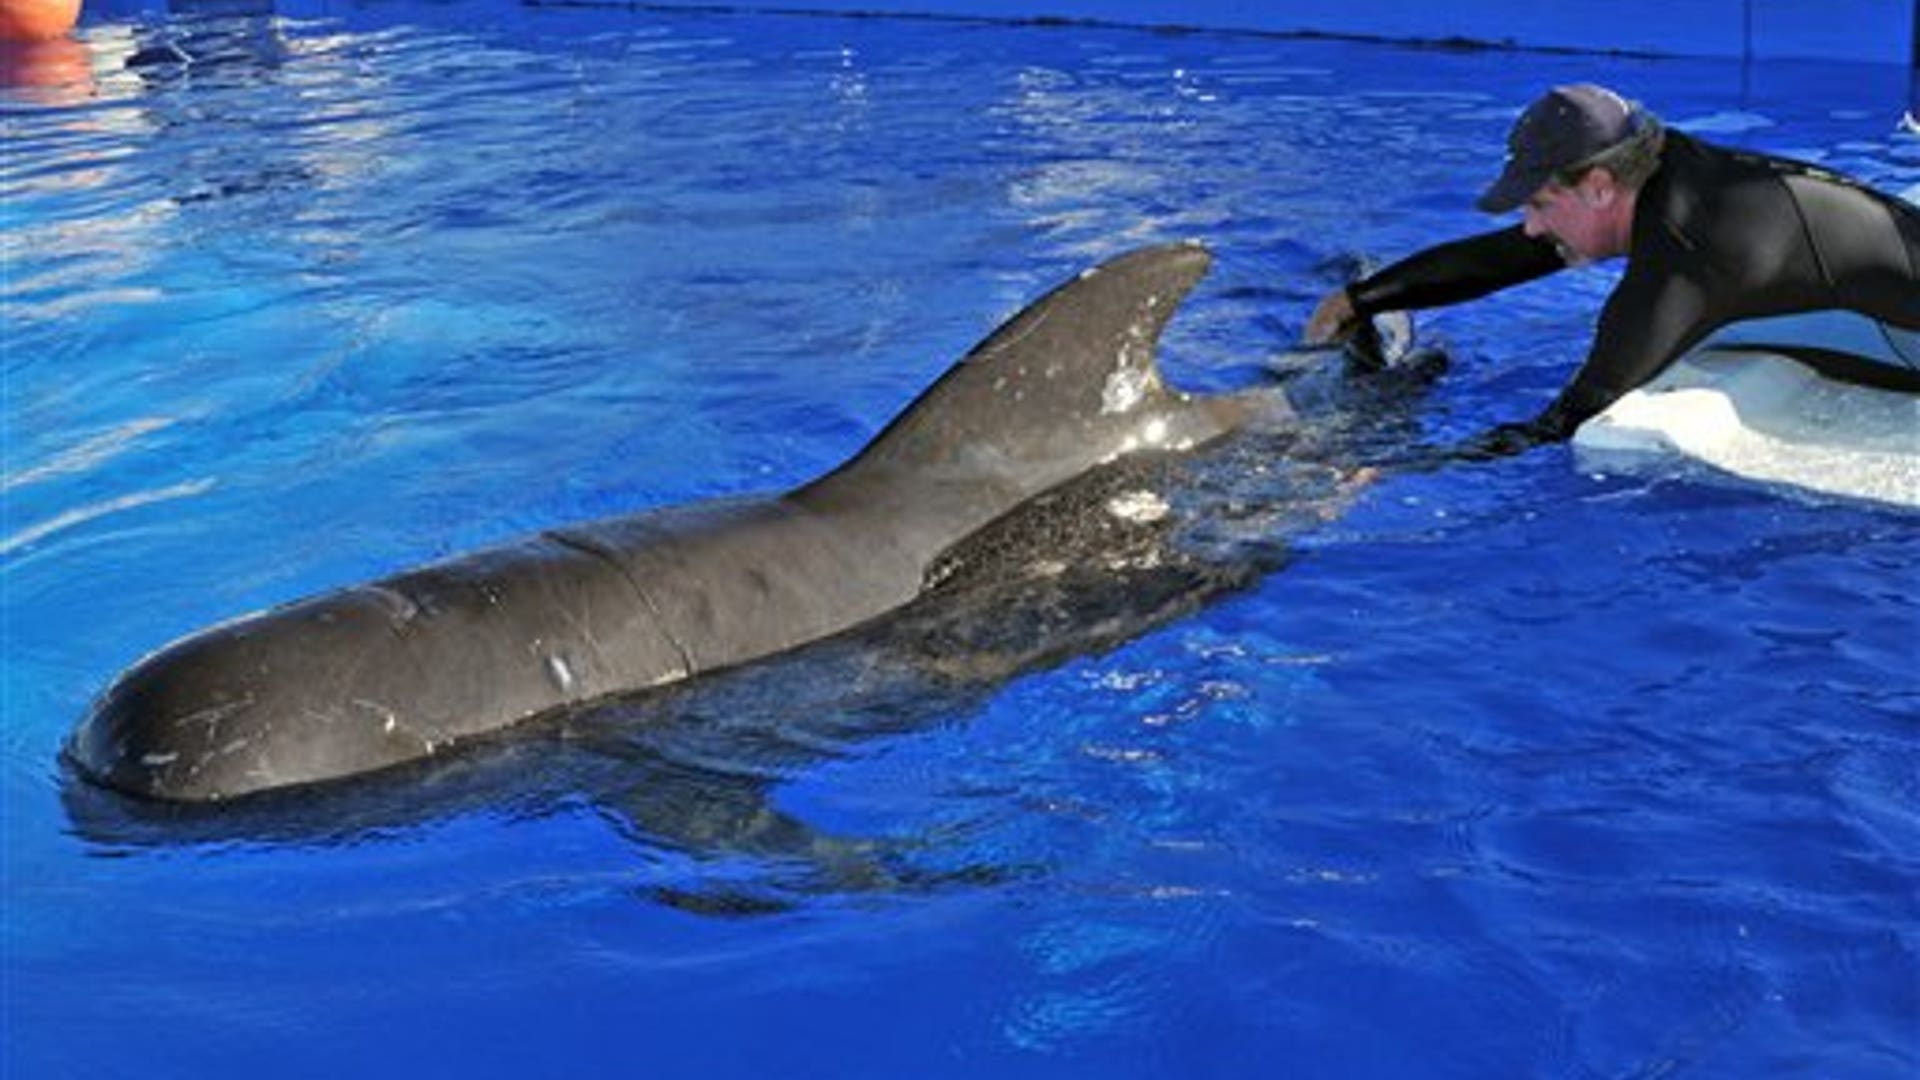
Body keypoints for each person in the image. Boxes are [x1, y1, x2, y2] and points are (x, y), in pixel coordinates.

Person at [1305, 83, 1920, 457]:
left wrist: (1392, 467)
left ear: (1599, 185)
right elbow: (1517, 252)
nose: (1531, 225)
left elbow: (1567, 420)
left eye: (1541, 202)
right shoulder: (1665, 169)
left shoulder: (1689, 257)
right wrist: (1362, 298)